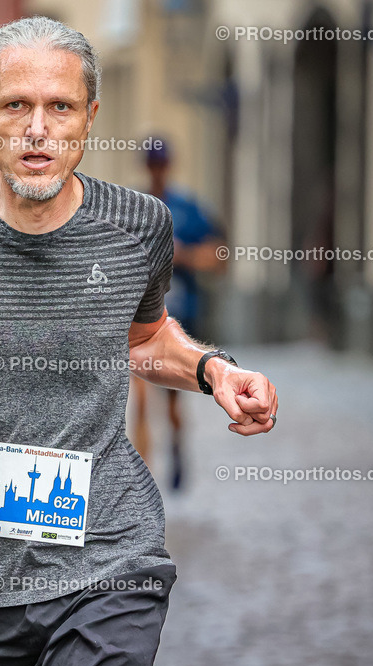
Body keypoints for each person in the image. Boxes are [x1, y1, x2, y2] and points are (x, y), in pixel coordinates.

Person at [0, 17, 279, 666]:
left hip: (110, 562)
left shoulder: (138, 226)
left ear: (89, 116)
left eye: (60, 106)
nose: (38, 128)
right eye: (16, 105)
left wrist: (214, 371)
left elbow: (145, 337)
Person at [130, 139, 226, 489]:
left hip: (180, 316)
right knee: (138, 399)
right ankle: (142, 479)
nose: (157, 169)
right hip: (138, 317)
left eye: (162, 163)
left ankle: (176, 445)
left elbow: (218, 256)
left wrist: (181, 254)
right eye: (152, 164)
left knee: (171, 401)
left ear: (169, 165)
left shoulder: (186, 208)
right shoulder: (135, 207)